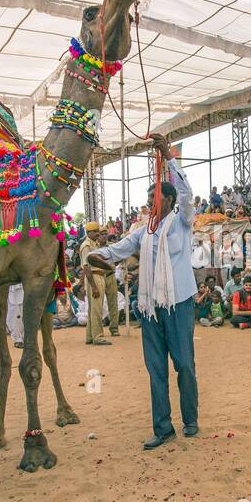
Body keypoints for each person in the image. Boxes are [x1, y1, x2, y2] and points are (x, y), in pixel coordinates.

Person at [87, 135, 198, 449]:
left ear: (168, 200)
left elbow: (188, 194)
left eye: (154, 198)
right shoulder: (142, 232)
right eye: (149, 198)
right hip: (150, 308)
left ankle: (190, 419)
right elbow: (118, 250)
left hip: (179, 305)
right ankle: (163, 428)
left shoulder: (182, 221)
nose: (149, 203)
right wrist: (96, 257)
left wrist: (168, 157)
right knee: (156, 370)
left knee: (185, 365)